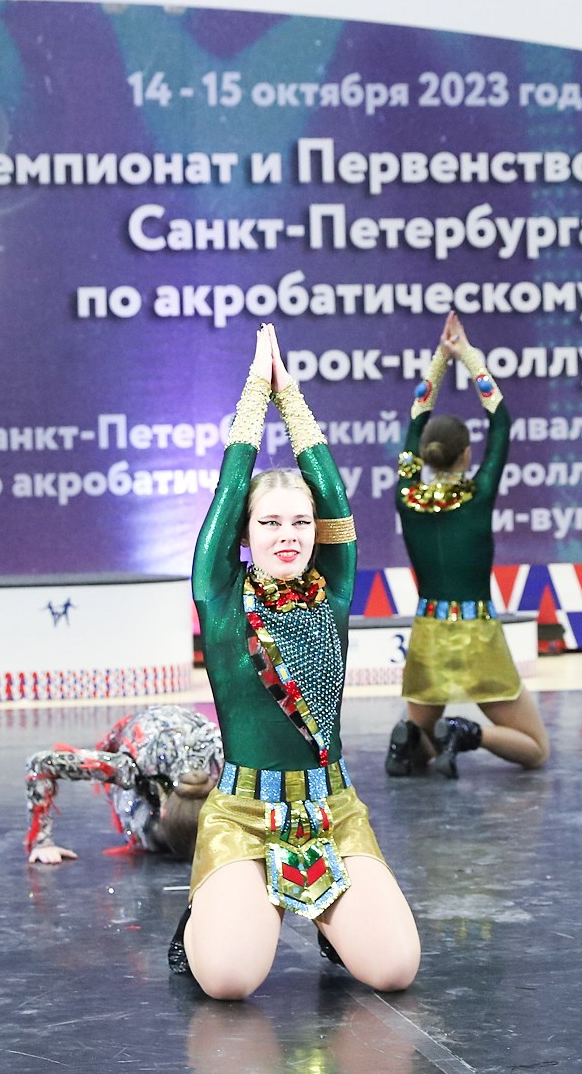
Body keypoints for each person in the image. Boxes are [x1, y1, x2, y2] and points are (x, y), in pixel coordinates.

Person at [172, 325, 420, 999]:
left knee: (396, 971)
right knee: (228, 982)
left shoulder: (334, 588)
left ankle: (322, 920)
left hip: (330, 811)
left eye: (300, 523)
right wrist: (257, 390)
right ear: (247, 535)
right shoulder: (221, 596)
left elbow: (334, 494)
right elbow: (227, 495)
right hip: (245, 814)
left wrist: (294, 399)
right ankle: (207, 913)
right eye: (271, 523)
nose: (288, 536)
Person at [384, 313, 549, 778]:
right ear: (466, 455)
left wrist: (438, 361)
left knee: (424, 739)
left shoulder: (406, 495)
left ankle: (410, 740)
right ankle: (468, 732)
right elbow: (502, 423)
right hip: (477, 635)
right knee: (535, 749)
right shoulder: (476, 498)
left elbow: (414, 420)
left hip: (428, 634)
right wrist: (468, 356)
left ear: (423, 458)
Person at [23, 706, 222, 863]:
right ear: (162, 812)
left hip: (189, 733)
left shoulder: (221, 758)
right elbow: (40, 763)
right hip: (142, 739)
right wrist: (41, 842)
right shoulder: (127, 767)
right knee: (150, 840)